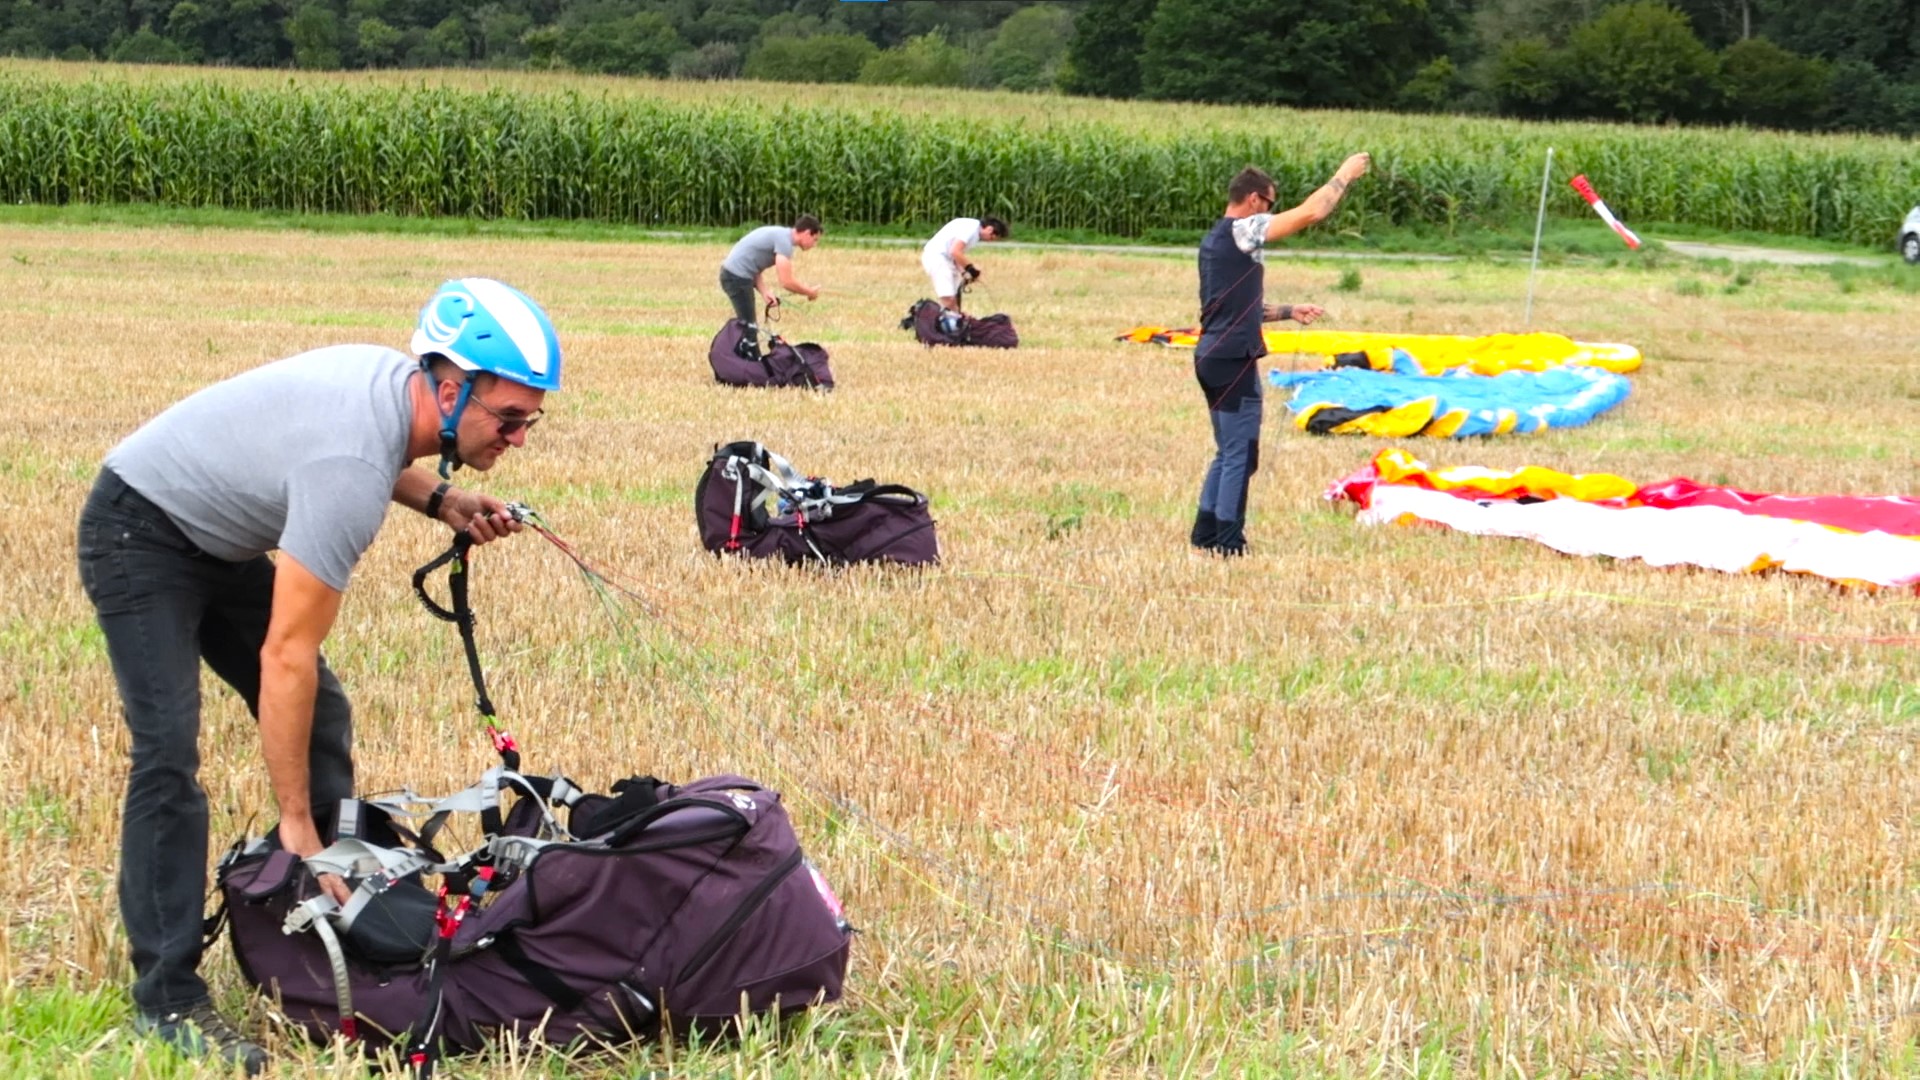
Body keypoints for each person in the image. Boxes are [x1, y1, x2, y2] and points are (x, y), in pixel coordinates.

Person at [75, 278, 562, 1074]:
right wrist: (295, 820)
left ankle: (323, 902)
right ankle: (166, 997)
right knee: (168, 752)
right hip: (138, 532)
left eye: (530, 420)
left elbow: (371, 460)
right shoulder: (348, 466)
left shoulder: (392, 393)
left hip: (211, 541)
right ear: (449, 390)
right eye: (508, 419)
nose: (519, 438)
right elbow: (285, 655)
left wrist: (442, 500)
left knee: (324, 716)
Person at [1190, 157, 1369, 557]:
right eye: (1270, 204)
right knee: (1241, 455)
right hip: (1233, 359)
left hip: (1212, 356)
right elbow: (1312, 212)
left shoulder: (1214, 239)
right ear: (1254, 200)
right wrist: (1344, 175)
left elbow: (1236, 307)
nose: (1271, 211)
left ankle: (1205, 534)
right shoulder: (1243, 230)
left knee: (1228, 451)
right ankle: (1228, 543)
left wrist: (1288, 311)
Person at [719, 215, 823, 356]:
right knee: (749, 327)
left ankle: (747, 363)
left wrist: (764, 292)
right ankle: (748, 365)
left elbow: (754, 263)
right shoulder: (784, 242)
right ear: (806, 233)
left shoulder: (781, 234)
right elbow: (786, 281)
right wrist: (809, 292)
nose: (814, 244)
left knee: (748, 326)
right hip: (736, 277)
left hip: (735, 275)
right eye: (815, 239)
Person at [921, 215, 1007, 321]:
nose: (990, 241)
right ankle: (953, 323)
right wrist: (972, 270)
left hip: (946, 259)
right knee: (948, 297)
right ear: (989, 229)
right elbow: (955, 251)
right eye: (992, 237)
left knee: (954, 295)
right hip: (937, 257)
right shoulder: (971, 228)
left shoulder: (974, 231)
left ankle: (954, 320)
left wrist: (964, 273)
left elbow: (956, 255)